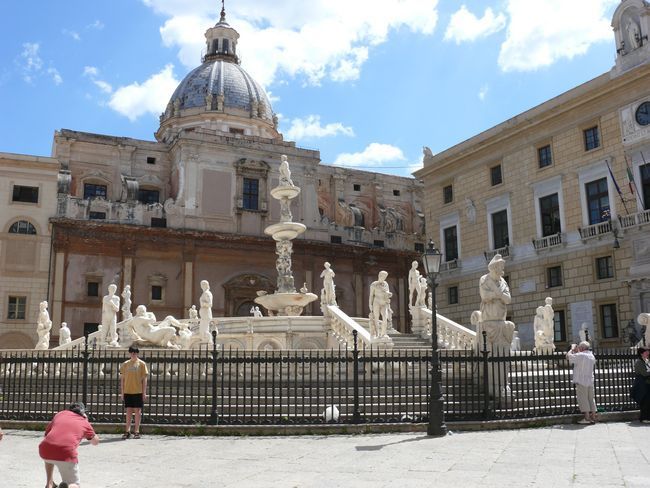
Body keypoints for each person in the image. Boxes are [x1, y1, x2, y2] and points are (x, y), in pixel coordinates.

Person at [39, 402, 100, 488]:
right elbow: (95, 442)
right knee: (75, 484)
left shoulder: (60, 414)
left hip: (45, 448)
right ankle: (69, 486)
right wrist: (86, 424)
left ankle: (49, 484)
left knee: (50, 454)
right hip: (66, 452)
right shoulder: (83, 421)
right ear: (83, 412)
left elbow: (46, 434)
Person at [119, 346, 148, 439]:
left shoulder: (142, 364)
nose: (133, 354)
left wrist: (144, 392)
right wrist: (122, 392)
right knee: (128, 411)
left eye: (135, 352)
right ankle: (127, 431)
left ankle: (137, 431)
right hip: (127, 391)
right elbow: (122, 379)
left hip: (138, 391)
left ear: (137, 353)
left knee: (137, 412)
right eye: (132, 352)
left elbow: (144, 379)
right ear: (129, 353)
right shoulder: (125, 364)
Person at [566, 341, 597, 424]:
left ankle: (587, 418)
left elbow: (568, 357)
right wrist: (577, 351)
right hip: (590, 380)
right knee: (591, 399)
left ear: (582, 348)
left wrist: (572, 349)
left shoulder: (581, 355)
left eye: (579, 347)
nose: (578, 348)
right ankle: (593, 416)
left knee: (583, 399)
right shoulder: (591, 356)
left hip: (581, 380)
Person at [479, 254, 511, 322]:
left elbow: (508, 299)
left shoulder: (503, 282)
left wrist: (498, 294)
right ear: (495, 267)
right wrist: (499, 294)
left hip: (501, 316)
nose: (503, 268)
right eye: (501, 266)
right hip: (488, 317)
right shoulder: (484, 279)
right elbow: (484, 296)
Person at [369, 271, 392, 338]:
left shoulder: (386, 284)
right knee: (376, 318)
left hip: (384, 302)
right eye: (383, 276)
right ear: (379, 275)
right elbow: (371, 295)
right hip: (376, 302)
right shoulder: (374, 284)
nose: (384, 278)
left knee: (385, 317)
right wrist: (370, 304)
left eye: (385, 277)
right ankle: (377, 334)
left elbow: (387, 293)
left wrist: (388, 295)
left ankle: (383, 333)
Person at [633, 346, 650, 423]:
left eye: (648, 351)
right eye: (646, 352)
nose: (648, 353)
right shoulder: (639, 362)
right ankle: (644, 418)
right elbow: (644, 373)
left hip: (647, 384)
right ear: (641, 353)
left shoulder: (646, 360)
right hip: (642, 384)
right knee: (645, 401)